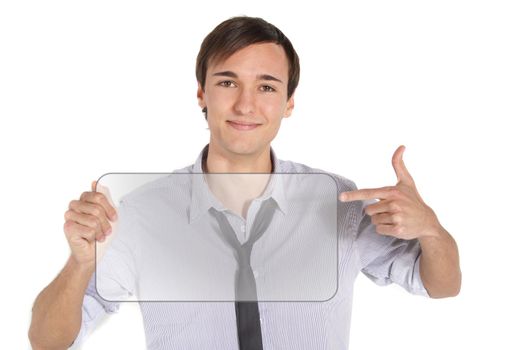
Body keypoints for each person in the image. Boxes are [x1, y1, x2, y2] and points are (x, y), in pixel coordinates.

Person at [28, 16, 461, 350]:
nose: (246, 104)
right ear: (202, 93)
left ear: (289, 103)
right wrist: (80, 262)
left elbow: (441, 285)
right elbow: (48, 340)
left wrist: (431, 230)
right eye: (228, 81)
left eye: (267, 86)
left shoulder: (337, 200)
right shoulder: (141, 214)